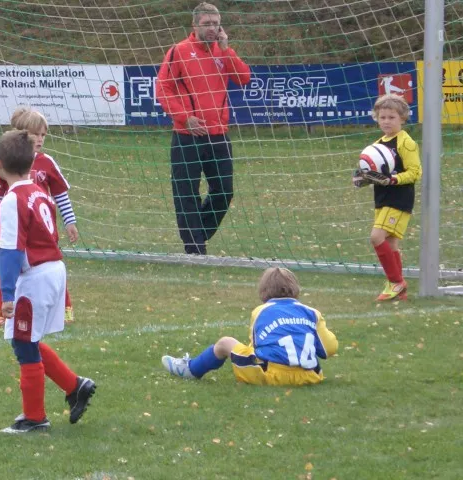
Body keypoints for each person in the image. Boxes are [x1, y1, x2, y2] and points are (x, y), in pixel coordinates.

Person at [0, 129, 95, 434]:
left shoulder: (12, 199)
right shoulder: (39, 191)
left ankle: (35, 417)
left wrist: (7, 293)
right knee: (28, 339)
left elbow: (11, 250)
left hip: (35, 276)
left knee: (24, 344)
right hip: (53, 269)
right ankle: (75, 385)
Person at [156, 2, 251, 255]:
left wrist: (227, 50)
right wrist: (184, 118)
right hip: (187, 136)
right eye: (206, 23)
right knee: (186, 193)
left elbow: (243, 77)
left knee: (224, 191)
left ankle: (198, 233)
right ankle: (195, 248)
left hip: (218, 135)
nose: (212, 28)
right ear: (194, 25)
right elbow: (163, 88)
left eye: (215, 23)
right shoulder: (179, 51)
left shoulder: (223, 51)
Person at [0, 107, 79, 328]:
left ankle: (64, 307)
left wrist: (70, 221)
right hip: (17, 226)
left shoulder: (47, 162)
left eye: (43, 135)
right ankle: (0, 312)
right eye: (35, 134)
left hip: (42, 230)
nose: (40, 139)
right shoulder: (7, 164)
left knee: (50, 265)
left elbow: (60, 194)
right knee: (8, 262)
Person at [162, 267, 338, 385]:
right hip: (310, 376)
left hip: (271, 375)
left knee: (225, 343)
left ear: (263, 292)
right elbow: (329, 349)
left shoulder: (262, 311)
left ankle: (190, 369)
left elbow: (257, 348)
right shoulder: (312, 312)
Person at [353, 94, 422, 301]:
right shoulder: (377, 144)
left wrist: (393, 179)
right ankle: (401, 291)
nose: (386, 121)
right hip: (382, 199)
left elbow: (415, 172)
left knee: (376, 237)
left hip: (399, 199)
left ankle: (395, 282)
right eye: (382, 117)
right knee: (391, 244)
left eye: (391, 117)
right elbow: (375, 173)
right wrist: (363, 178)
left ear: (402, 118)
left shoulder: (406, 143)